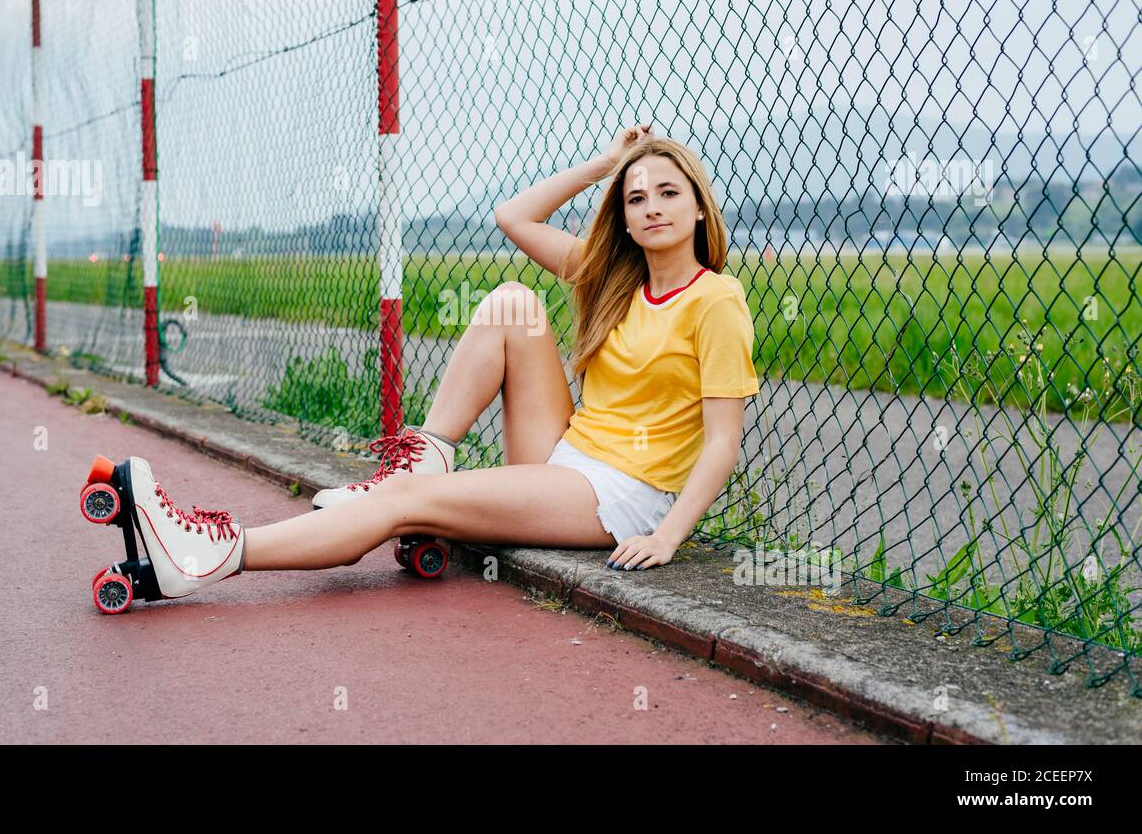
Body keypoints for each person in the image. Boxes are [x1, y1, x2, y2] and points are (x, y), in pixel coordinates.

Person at [115, 124, 760, 601]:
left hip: (619, 495)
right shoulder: (614, 281)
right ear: (622, 218)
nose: (651, 207)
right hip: (565, 460)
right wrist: (608, 165)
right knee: (514, 303)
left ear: (699, 206)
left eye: (668, 194)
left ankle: (211, 555)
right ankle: (429, 449)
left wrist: (667, 535)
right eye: (636, 198)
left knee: (403, 501)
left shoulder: (716, 301)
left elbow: (722, 442)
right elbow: (513, 215)